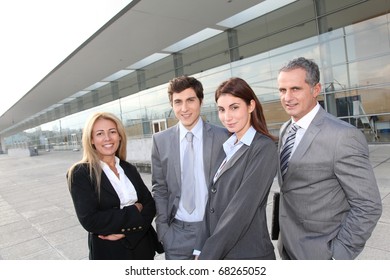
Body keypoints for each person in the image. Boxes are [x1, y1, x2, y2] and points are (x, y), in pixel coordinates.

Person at [276, 57, 382, 260]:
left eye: (295, 89)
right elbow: (288, 189)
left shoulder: (343, 136)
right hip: (288, 248)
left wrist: (337, 257)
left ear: (316, 89)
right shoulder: (285, 129)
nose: (287, 97)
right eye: (282, 90)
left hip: (321, 254)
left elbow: (368, 205)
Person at [194, 77, 278, 259]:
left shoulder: (263, 148)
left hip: (248, 255)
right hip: (221, 253)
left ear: (251, 106)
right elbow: (211, 204)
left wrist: (207, 256)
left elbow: (240, 210)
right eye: (221, 110)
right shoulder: (227, 147)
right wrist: (199, 249)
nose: (227, 117)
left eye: (234, 107)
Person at [151, 76, 229, 259]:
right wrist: (164, 231)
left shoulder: (223, 137)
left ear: (200, 101)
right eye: (177, 102)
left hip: (213, 230)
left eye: (190, 100)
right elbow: (160, 188)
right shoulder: (160, 141)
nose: (184, 108)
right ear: (172, 105)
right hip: (176, 234)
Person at [67, 112, 162, 260]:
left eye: (112, 132)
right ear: (91, 139)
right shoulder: (80, 174)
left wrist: (127, 231)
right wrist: (135, 209)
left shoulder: (128, 168)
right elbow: (91, 220)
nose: (107, 138)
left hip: (142, 248)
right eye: (99, 133)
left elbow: (149, 204)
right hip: (109, 253)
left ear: (119, 136)